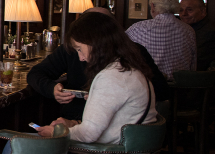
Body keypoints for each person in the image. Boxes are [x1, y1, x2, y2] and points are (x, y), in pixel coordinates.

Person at [37, 12, 157, 154]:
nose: (81, 58)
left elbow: (89, 134)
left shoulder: (111, 78)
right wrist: (73, 124)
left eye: (80, 49)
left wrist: (57, 132)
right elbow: (113, 126)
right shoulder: (131, 70)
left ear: (97, 43)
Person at [27, 7, 170, 119]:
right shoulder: (72, 50)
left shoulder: (133, 52)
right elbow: (35, 73)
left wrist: (108, 97)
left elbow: (161, 90)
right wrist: (52, 89)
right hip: (75, 117)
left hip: (109, 126)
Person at [126, 0, 196, 80]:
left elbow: (122, 56)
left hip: (150, 84)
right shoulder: (188, 30)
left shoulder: (138, 29)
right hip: (182, 85)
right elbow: (193, 65)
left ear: (153, 6)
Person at [179, 0, 215, 71]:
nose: (184, 14)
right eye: (181, 10)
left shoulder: (211, 31)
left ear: (203, 11)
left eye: (189, 10)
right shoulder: (181, 29)